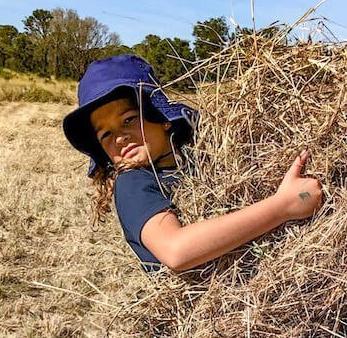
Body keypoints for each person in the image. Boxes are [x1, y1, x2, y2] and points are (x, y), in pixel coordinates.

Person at [62, 55, 323, 273]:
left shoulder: (204, 160)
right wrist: (283, 206)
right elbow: (176, 251)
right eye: (105, 134)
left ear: (162, 118)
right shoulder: (133, 183)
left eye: (129, 119)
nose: (120, 137)